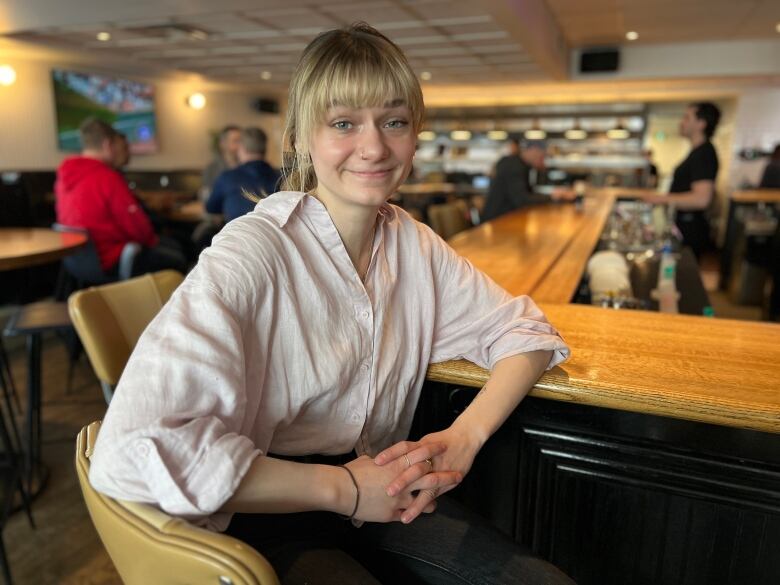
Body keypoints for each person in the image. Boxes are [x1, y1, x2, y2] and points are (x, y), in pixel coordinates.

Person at [89, 24, 573, 585]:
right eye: (344, 123)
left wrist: (464, 437)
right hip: (265, 505)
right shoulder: (254, 251)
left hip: (382, 483)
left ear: (414, 137)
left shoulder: (412, 242)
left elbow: (527, 334)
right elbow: (130, 449)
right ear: (298, 138)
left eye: (394, 122)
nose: (374, 147)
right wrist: (340, 488)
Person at [55, 117, 187, 277]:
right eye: (120, 145)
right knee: (178, 259)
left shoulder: (63, 177)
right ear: (108, 145)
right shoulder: (107, 177)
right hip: (113, 260)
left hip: (79, 261)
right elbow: (138, 228)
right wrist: (153, 240)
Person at [643, 102, 721, 258]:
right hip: (684, 226)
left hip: (691, 230)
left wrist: (661, 199)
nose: (681, 122)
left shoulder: (704, 154)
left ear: (701, 124)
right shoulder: (697, 152)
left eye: (687, 118)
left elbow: (701, 199)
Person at [482, 139, 573, 222]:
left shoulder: (521, 165)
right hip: (497, 221)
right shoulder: (514, 166)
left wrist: (552, 195)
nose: (543, 160)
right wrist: (553, 196)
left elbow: (528, 193)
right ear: (533, 150)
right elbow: (522, 200)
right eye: (542, 155)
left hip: (507, 220)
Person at [206, 127, 281, 222]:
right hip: (272, 235)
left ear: (242, 148)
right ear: (265, 148)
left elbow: (211, 208)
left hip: (237, 235)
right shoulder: (280, 177)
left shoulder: (227, 178)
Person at [200, 125, 242, 201]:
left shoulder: (247, 167)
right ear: (223, 144)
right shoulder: (211, 169)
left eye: (241, 141)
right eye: (236, 141)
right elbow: (206, 197)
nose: (240, 145)